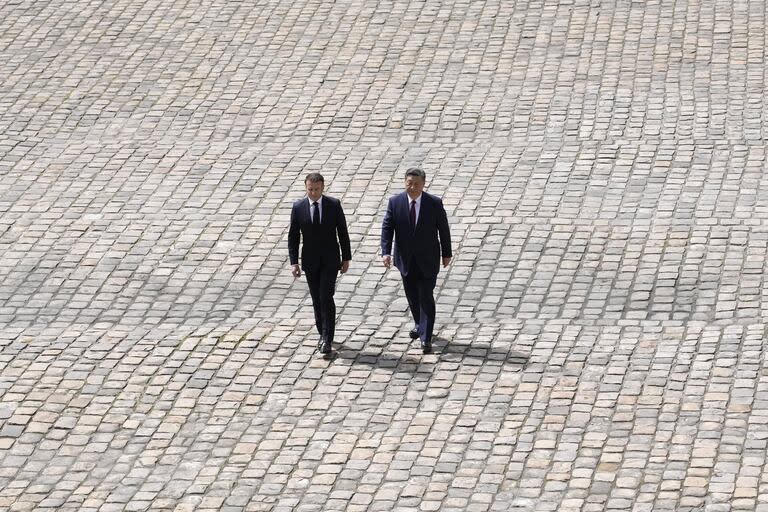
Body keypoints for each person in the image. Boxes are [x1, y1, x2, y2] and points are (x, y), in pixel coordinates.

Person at [381, 168, 452, 353]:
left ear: (423, 184)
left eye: (416, 184)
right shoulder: (395, 202)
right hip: (405, 259)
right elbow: (388, 227)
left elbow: (443, 229)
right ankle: (420, 324)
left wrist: (447, 253)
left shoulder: (434, 203)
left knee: (425, 296)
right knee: (412, 296)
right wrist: (386, 252)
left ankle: (426, 338)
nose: (412, 187)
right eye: (409, 183)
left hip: (428, 259)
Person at [288, 173, 351, 354]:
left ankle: (327, 337)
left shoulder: (333, 205)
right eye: (310, 189)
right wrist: (294, 262)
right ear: (306, 188)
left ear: (323, 188)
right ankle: (321, 331)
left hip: (331, 260)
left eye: (316, 189)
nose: (313, 193)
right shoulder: (299, 207)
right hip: (310, 260)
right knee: (316, 299)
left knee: (326, 296)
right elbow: (293, 236)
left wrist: (346, 258)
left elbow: (343, 232)